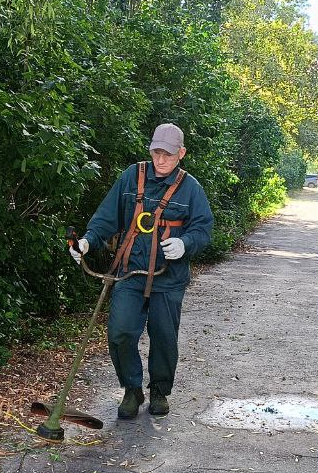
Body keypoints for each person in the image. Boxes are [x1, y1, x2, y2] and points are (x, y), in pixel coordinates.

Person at [71, 123, 214, 419]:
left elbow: (203, 229)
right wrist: (87, 241)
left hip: (168, 278)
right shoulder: (131, 177)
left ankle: (159, 390)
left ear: (181, 153)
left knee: (163, 336)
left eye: (168, 154)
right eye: (156, 152)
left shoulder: (191, 188)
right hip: (129, 273)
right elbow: (106, 217)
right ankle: (132, 389)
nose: (160, 160)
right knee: (120, 332)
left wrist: (185, 243)